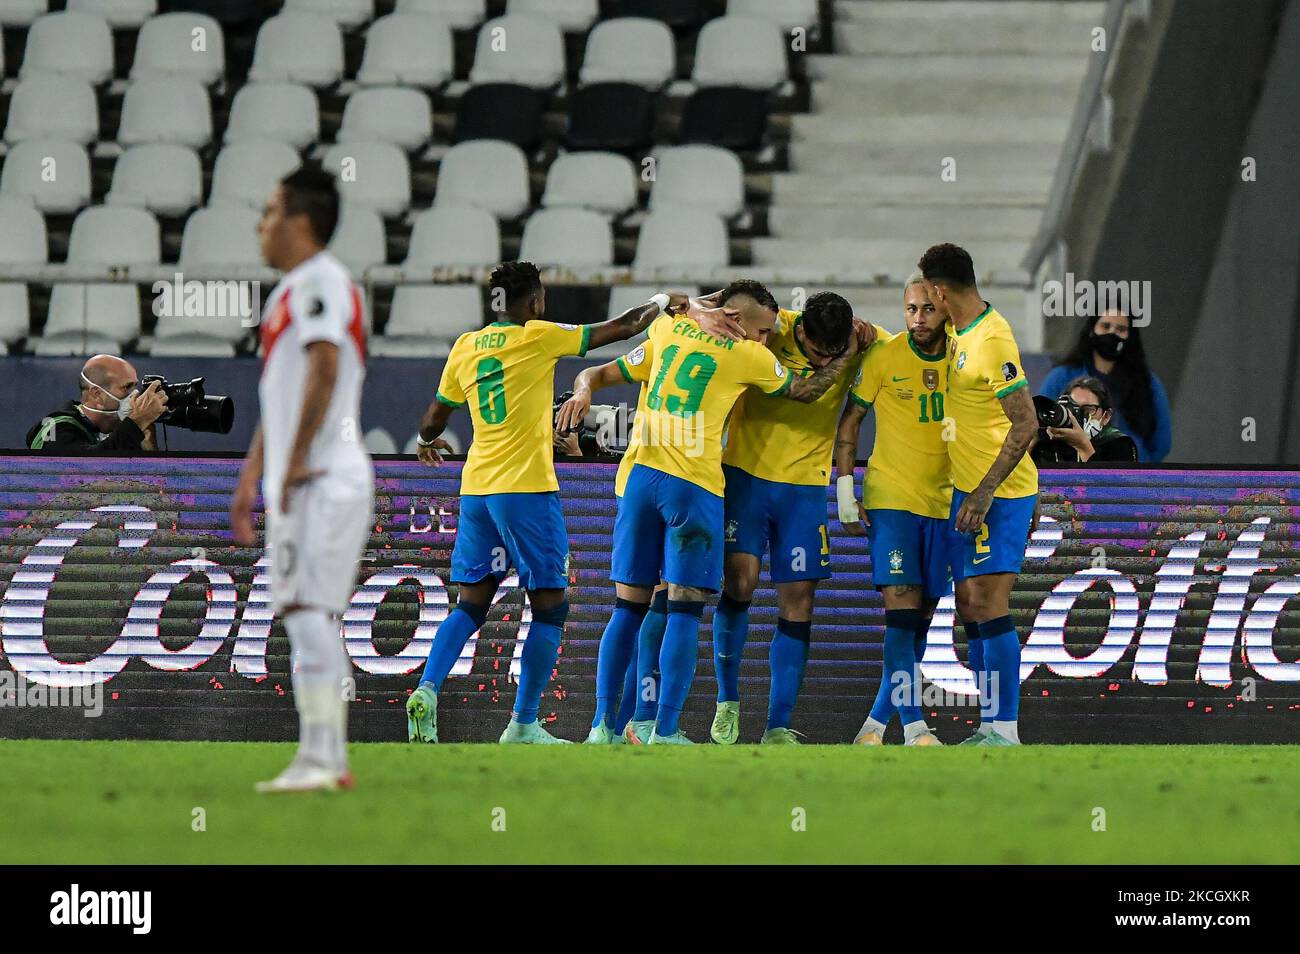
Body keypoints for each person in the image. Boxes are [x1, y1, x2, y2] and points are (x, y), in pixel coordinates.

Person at [406, 264, 732, 745]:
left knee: (471, 603)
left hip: (476, 489)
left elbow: (436, 415)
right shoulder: (539, 336)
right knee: (550, 607)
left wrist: (424, 439)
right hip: (527, 490)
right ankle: (523, 723)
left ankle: (428, 690)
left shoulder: (465, 346)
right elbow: (622, 326)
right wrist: (668, 299)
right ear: (534, 303)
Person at [557, 281, 862, 744]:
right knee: (683, 609)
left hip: (639, 477)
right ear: (737, 321)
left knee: (627, 608)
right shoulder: (750, 356)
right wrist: (844, 358)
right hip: (694, 484)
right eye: (762, 331)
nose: (767, 340)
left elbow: (663, 310)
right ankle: (666, 729)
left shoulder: (669, 330)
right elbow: (803, 391)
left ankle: (603, 728)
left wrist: (695, 307)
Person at [229, 166, 374, 794]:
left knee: (311, 609)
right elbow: (280, 399)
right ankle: (321, 756)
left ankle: (324, 757)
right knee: (299, 609)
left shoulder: (324, 282)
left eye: (269, 211)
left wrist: (289, 464)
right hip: (298, 479)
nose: (260, 226)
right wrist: (253, 475)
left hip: (323, 475)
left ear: (300, 221)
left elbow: (325, 366)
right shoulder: (291, 289)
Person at [708, 289, 875, 746]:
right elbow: (702, 310)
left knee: (799, 604)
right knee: (738, 586)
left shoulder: (859, 339)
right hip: (745, 476)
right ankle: (727, 704)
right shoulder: (771, 327)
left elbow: (906, 345)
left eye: (834, 354)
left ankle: (777, 726)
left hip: (804, 489)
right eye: (819, 353)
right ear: (800, 329)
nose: (826, 363)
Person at [919, 243, 1038, 746]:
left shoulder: (992, 340)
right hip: (966, 490)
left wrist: (985, 493)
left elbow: (1025, 424)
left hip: (1001, 493)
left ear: (942, 291)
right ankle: (989, 724)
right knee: (970, 603)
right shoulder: (958, 331)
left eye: (930, 295)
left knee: (990, 602)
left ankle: (1005, 729)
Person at [834, 273, 949, 746]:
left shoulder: (964, 357)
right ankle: (916, 727)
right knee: (901, 614)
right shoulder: (884, 357)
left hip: (945, 504)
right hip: (892, 501)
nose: (917, 318)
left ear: (944, 309)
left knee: (919, 620)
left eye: (926, 309)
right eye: (910, 309)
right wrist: (845, 490)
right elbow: (850, 421)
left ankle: (875, 726)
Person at [1037, 310, 1171, 461]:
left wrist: (1134, 469)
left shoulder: (1148, 383)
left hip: (1130, 473)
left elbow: (1162, 443)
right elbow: (1039, 424)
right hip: (1069, 468)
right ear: (1091, 330)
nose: (1112, 333)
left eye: (1121, 329)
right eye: (1105, 326)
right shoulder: (1060, 377)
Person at [26, 354, 168, 452]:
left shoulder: (121, 433)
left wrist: (149, 449)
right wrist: (137, 422)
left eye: (134, 386)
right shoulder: (53, 429)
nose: (135, 395)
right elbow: (88, 471)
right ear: (97, 395)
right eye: (126, 388)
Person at [1032, 375, 1139, 464]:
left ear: (1106, 416)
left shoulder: (1118, 444)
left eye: (1088, 409)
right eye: (1073, 408)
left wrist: (1083, 445)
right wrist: (1030, 442)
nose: (1079, 414)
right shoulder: (1049, 444)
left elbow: (1111, 487)